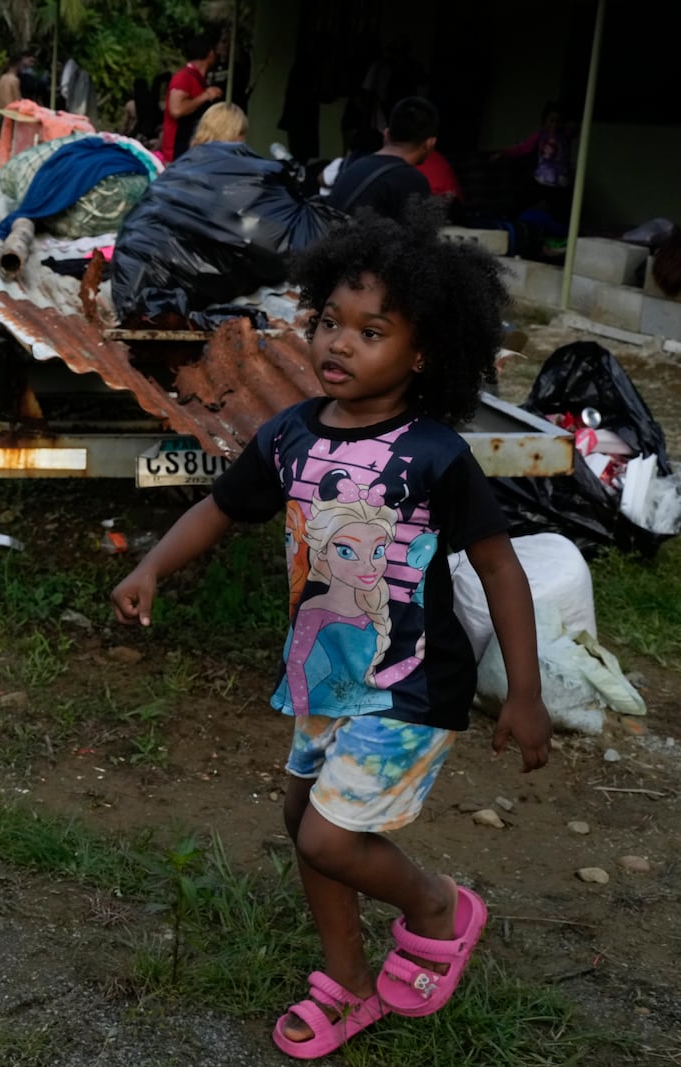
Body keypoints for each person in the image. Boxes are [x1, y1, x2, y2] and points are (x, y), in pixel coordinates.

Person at [110, 209, 550, 1060]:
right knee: (301, 813)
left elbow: (500, 568)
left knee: (327, 834)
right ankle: (349, 983)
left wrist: (523, 689)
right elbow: (220, 506)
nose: (338, 344)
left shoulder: (434, 455)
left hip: (414, 682)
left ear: (422, 355)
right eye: (329, 323)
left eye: (372, 331)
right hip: (325, 673)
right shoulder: (290, 435)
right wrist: (152, 567)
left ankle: (435, 907)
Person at [324, 96, 438, 224]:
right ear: (430, 143)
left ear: (386, 134)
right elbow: (418, 238)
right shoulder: (412, 181)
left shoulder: (352, 167)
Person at [160, 31, 223, 163]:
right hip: (177, 155)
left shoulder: (198, 79)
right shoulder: (184, 77)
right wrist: (205, 96)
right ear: (210, 53)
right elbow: (176, 110)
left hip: (190, 153)